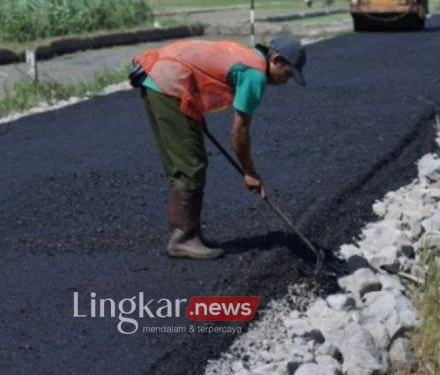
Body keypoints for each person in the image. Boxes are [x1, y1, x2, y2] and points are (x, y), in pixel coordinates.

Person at [129, 36, 307, 260]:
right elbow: (240, 132)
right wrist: (250, 173)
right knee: (191, 163)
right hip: (168, 83)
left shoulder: (247, 55)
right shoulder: (255, 75)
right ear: (277, 60)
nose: (286, 80)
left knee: (184, 160)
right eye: (288, 74)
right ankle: (183, 239)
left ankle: (187, 233)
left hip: (155, 76)